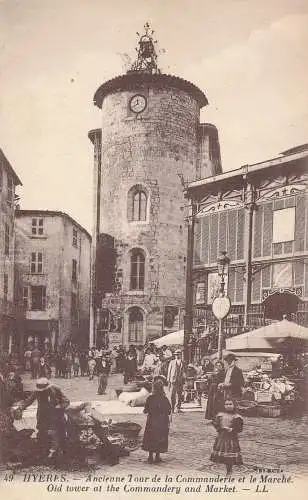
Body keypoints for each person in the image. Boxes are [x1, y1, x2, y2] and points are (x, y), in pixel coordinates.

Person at [17, 377, 70, 459]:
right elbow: (29, 400)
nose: (42, 392)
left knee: (59, 432)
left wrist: (60, 406)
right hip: (42, 415)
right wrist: (20, 408)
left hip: (56, 414)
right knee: (42, 432)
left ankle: (63, 451)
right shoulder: (37, 392)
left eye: (44, 390)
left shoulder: (56, 389)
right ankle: (44, 452)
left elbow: (66, 401)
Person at [210, 398, 243, 475]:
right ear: (223, 405)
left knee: (230, 454)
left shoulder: (237, 416)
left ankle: (229, 470)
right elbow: (215, 423)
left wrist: (232, 429)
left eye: (230, 404)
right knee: (222, 453)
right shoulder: (220, 415)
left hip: (231, 438)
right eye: (226, 404)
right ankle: (225, 466)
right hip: (222, 437)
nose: (228, 406)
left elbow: (239, 428)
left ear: (234, 405)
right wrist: (219, 428)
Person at [142, 377, 171, 464]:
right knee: (160, 437)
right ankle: (157, 456)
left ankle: (150, 456)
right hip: (162, 422)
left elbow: (145, 410)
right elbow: (169, 411)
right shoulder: (165, 399)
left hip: (151, 421)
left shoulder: (150, 398)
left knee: (150, 437)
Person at [167, 349, 184, 413]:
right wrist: (168, 380)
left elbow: (184, 372)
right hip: (173, 380)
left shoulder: (183, 362)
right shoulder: (172, 362)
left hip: (180, 381)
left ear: (181, 355)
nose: (177, 356)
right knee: (172, 395)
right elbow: (169, 371)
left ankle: (178, 408)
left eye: (178, 354)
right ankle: (172, 408)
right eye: (176, 355)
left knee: (179, 395)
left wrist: (184, 380)